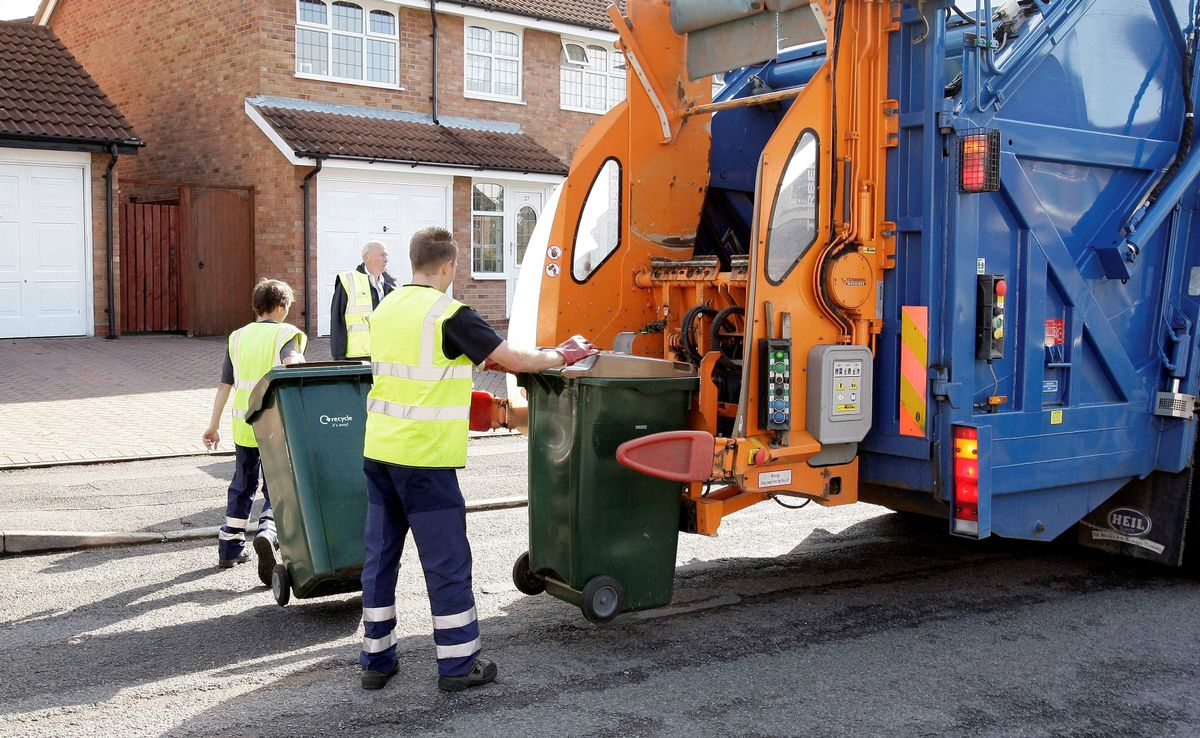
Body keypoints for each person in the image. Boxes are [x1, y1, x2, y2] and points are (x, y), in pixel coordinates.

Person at [358, 227, 598, 693]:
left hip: (380, 452)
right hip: (425, 460)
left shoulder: (386, 306)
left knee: (380, 557)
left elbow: (431, 360)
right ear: (449, 266)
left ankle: (376, 660)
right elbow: (517, 359)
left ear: (412, 261)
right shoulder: (450, 314)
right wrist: (564, 353)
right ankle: (457, 663)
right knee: (446, 561)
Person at [202, 279, 307, 584]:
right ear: (280, 306)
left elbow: (225, 384)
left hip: (242, 425)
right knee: (279, 483)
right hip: (275, 424)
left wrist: (212, 425)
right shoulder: (286, 334)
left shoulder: (237, 337)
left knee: (243, 483)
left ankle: (230, 545)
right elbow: (292, 366)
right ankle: (268, 531)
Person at [331, 240, 396, 361]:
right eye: (382, 255)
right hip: (357, 357)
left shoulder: (391, 285)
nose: (386, 259)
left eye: (387, 255)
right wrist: (339, 356)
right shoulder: (347, 281)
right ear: (366, 257)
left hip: (385, 355)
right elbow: (337, 320)